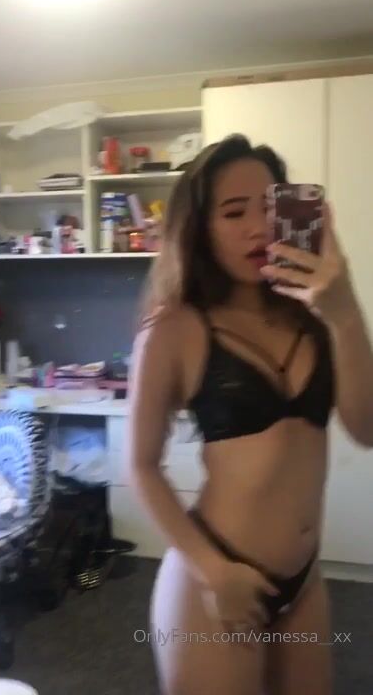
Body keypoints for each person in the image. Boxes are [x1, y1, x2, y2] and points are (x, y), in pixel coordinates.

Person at [126, 134, 373, 695]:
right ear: (201, 228)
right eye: (234, 212)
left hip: (305, 582)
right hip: (216, 577)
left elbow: (366, 428)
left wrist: (344, 310)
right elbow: (141, 466)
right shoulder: (175, 328)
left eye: (269, 207)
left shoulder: (315, 315)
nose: (259, 227)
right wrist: (214, 571)